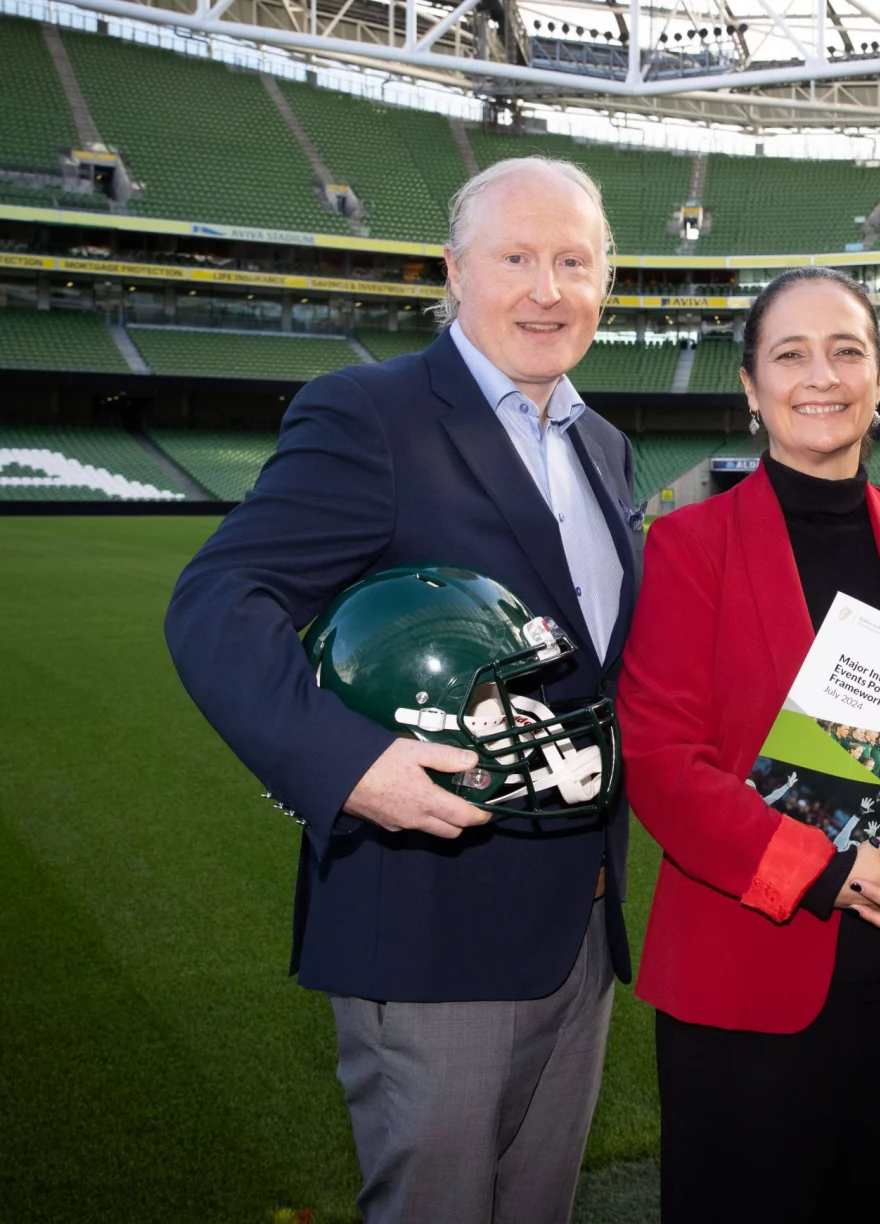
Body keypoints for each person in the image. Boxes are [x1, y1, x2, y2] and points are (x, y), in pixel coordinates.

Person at [164, 157, 641, 1224]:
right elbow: (216, 599)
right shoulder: (371, 414)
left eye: (575, 261)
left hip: (580, 929)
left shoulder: (603, 447)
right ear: (455, 271)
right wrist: (347, 763)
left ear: (607, 282)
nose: (547, 288)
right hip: (429, 928)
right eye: (516, 257)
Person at [616, 266, 880, 1223]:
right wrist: (825, 870)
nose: (821, 375)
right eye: (789, 354)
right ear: (751, 388)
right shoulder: (688, 544)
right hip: (751, 969)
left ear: (879, 376)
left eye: (847, 351)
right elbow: (663, 762)